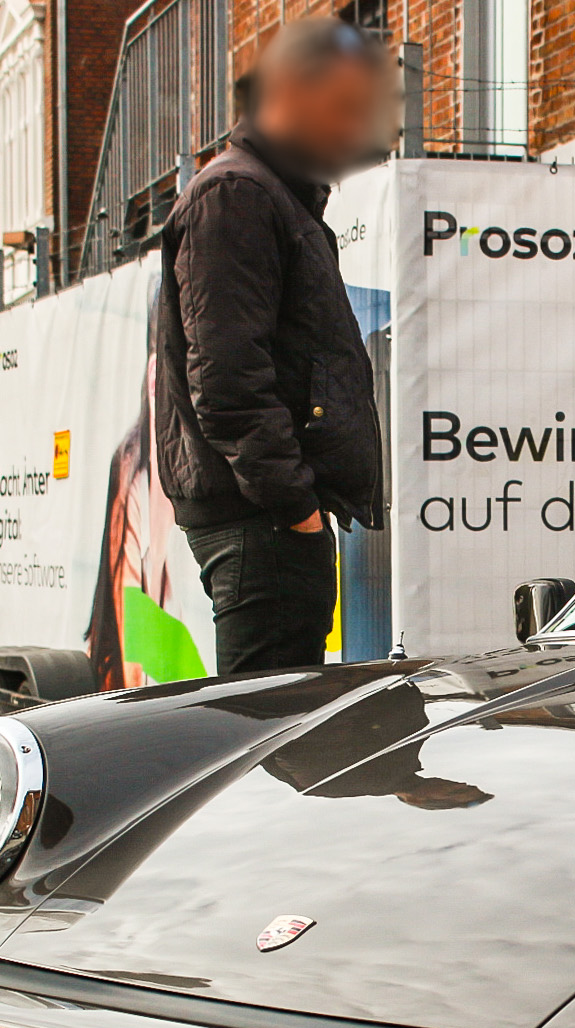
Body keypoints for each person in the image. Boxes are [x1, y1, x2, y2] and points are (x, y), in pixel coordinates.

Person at [154, 17, 390, 676]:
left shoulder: (267, 195)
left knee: (277, 721)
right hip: (264, 522)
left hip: (267, 519)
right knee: (268, 726)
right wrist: (295, 509)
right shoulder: (239, 194)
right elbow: (227, 382)